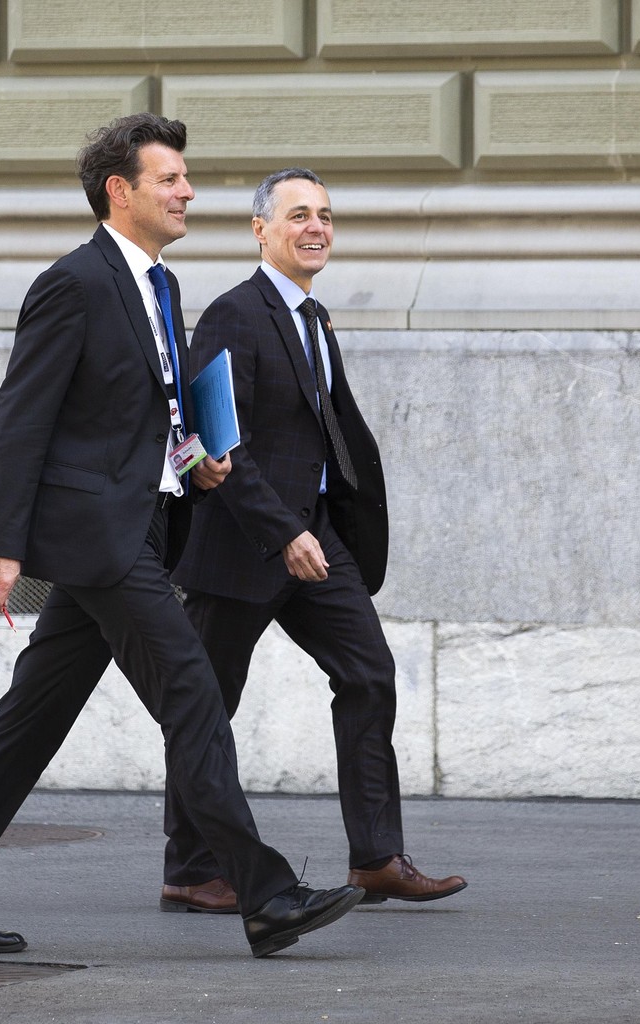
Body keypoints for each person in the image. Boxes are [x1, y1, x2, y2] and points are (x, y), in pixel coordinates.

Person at [0, 118, 364, 960]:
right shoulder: (74, 283)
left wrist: (194, 460)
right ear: (121, 190)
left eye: (185, 180)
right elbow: (21, 418)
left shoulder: (163, 287)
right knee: (192, 694)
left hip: (137, 526)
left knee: (30, 717)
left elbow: (148, 412)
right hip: (97, 538)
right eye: (171, 179)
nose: (188, 193)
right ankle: (267, 893)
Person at [163, 168, 466, 914]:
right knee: (209, 706)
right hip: (243, 543)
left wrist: (329, 523)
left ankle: (377, 858)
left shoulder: (314, 316)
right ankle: (190, 867)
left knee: (368, 675)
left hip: (317, 537)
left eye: (326, 216)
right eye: (299, 215)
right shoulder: (238, 313)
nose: (316, 228)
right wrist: (284, 528)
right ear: (260, 230)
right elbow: (215, 441)